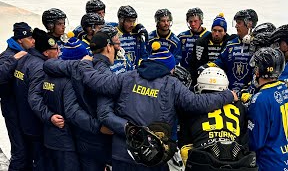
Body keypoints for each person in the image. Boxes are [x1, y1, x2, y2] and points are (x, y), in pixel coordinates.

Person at [78, 41, 238, 171]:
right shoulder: (172, 84)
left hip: (123, 154)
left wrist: (85, 64)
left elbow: (96, 82)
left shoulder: (127, 77)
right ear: (169, 68)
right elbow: (197, 103)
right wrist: (228, 95)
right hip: (154, 154)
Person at [43, 26, 120, 171]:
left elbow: (48, 64)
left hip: (82, 138)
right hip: (101, 142)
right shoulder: (106, 75)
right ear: (109, 48)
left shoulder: (77, 66)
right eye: (116, 45)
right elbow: (105, 114)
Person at [13, 28, 60, 170]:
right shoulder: (40, 67)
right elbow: (34, 98)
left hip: (24, 119)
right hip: (36, 124)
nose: (59, 52)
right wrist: (49, 116)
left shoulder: (25, 58)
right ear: (46, 52)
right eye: (55, 49)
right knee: (42, 162)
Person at [247, 47, 288, 170]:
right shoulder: (284, 89)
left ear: (258, 71)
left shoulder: (260, 99)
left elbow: (255, 142)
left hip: (271, 164)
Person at [42, 37, 88, 171]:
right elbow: (72, 113)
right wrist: (96, 126)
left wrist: (49, 116)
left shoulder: (48, 74)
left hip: (50, 136)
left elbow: (35, 98)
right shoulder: (70, 82)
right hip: (66, 140)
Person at [0, 22, 30, 170]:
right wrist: (14, 60)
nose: (33, 41)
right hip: (12, 109)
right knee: (20, 152)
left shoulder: (27, 52)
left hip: (21, 109)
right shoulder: (8, 56)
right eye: (29, 38)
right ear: (20, 40)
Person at [211, 9, 258, 92]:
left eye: (239, 23)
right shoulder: (230, 44)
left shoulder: (258, 45)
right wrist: (208, 67)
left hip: (250, 94)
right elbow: (221, 61)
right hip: (230, 93)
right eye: (236, 23)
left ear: (249, 24)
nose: (236, 26)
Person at [189, 13, 237, 87]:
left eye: (220, 31)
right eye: (214, 30)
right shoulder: (200, 43)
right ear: (211, 30)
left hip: (224, 81)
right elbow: (194, 64)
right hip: (203, 80)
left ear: (225, 32)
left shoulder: (231, 43)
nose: (216, 34)